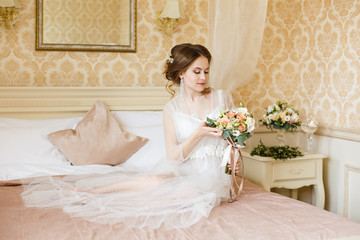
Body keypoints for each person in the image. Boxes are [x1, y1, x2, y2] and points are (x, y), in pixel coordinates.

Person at [21, 43, 237, 230]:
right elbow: (173, 158)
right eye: (196, 71)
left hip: (214, 175)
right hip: (187, 167)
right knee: (155, 180)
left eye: (206, 72)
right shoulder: (171, 109)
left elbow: (235, 138)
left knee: (185, 193)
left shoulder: (221, 98)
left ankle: (106, 200)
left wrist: (234, 157)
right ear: (181, 73)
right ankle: (90, 192)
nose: (203, 78)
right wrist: (198, 134)